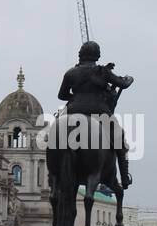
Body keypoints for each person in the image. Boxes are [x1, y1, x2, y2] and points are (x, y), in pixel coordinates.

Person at [57, 40, 133, 189]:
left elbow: (61, 95)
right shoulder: (103, 72)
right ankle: (124, 177)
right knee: (119, 138)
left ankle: (53, 174)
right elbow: (122, 84)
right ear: (97, 55)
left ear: (80, 55)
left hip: (72, 112)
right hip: (99, 113)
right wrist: (129, 79)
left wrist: (75, 97)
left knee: (53, 137)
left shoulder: (70, 73)